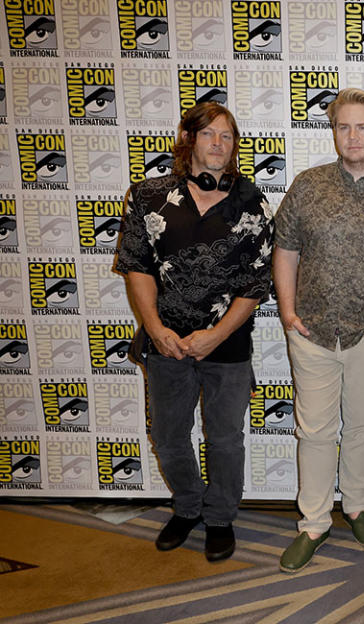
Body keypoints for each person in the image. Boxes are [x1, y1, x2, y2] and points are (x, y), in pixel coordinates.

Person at [116, 102, 274, 562]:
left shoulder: (252, 201)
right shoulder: (148, 196)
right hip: (165, 343)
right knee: (168, 435)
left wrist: (216, 334)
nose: (218, 144)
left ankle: (221, 517)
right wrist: (156, 328)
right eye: (209, 135)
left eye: (226, 136)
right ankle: (187, 508)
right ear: (189, 142)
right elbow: (137, 268)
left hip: (227, 347)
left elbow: (256, 281)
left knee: (225, 438)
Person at [273, 88, 364, 573]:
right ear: (333, 132)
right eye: (343, 126)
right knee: (314, 431)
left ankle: (357, 506)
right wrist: (289, 313)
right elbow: (286, 251)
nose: (353, 136)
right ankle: (313, 523)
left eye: (363, 127)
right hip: (311, 331)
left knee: (360, 425)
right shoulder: (308, 185)